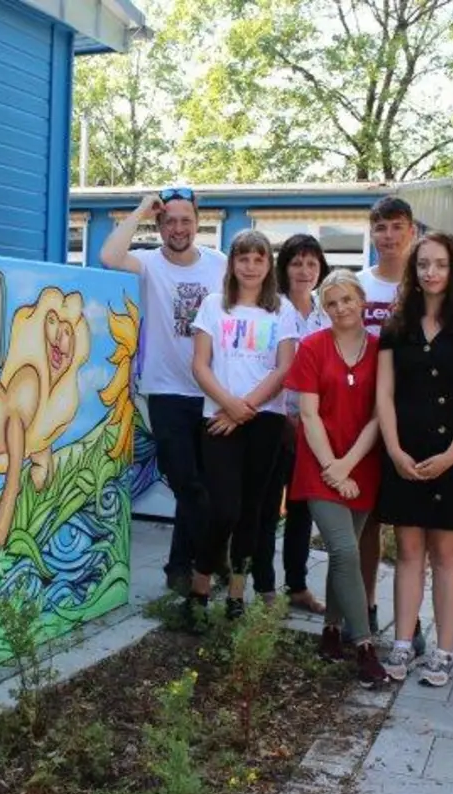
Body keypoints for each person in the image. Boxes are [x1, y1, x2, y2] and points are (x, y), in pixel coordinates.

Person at [373, 232, 453, 685]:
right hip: (404, 451)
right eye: (423, 264)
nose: (431, 272)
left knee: (445, 553)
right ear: (413, 269)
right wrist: (394, 449)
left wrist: (452, 455)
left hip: (452, 455)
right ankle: (403, 644)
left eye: (440, 264)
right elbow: (383, 393)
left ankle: (444, 651)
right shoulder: (396, 322)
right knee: (407, 551)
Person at [100, 187, 228, 597]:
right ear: (159, 225)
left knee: (211, 487)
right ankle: (187, 564)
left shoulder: (219, 264)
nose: (178, 228)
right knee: (186, 482)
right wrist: (140, 208)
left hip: (213, 393)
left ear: (197, 222)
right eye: (169, 220)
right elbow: (108, 256)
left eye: (185, 220)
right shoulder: (150, 264)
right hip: (166, 391)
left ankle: (197, 564)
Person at [183, 229, 300, 626]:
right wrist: (230, 406)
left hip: (264, 421)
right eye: (243, 258)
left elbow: (285, 367)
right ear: (232, 263)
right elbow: (199, 365)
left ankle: (236, 592)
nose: (250, 266)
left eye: (259, 259)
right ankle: (198, 586)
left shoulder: (282, 309)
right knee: (223, 509)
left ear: (269, 265)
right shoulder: (214, 306)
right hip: (218, 421)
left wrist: (246, 407)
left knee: (252, 511)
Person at [285, 269, 389, 686]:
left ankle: (330, 632)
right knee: (345, 551)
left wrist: (347, 466)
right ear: (323, 309)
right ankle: (364, 647)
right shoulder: (312, 347)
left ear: (363, 301)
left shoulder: (382, 352)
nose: (341, 308)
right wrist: (332, 468)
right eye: (331, 303)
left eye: (347, 299)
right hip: (318, 465)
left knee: (345, 553)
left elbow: (381, 416)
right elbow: (307, 414)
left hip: (362, 465)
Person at [355, 196, 426, 658]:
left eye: (397, 226)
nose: (389, 235)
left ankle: (410, 618)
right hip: (360, 416)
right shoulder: (357, 286)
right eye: (380, 227)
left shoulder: (426, 287)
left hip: (413, 418)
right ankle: (364, 609)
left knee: (408, 531)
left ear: (412, 231)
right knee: (365, 525)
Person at [254, 234, 333, 614]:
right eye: (297, 263)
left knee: (302, 508)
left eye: (312, 264)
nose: (304, 271)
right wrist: (282, 415)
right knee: (267, 506)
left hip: (313, 426)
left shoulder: (327, 313)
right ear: (283, 268)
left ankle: (297, 586)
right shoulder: (270, 309)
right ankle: (264, 586)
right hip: (272, 420)